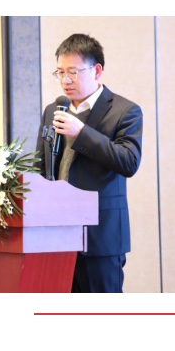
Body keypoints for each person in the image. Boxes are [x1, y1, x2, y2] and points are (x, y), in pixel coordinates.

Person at [35, 33, 142, 293]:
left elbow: (129, 161)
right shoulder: (53, 110)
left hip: (100, 236)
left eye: (73, 72)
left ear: (97, 71)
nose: (65, 80)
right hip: (56, 235)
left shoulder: (125, 111)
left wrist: (81, 133)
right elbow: (40, 167)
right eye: (60, 72)